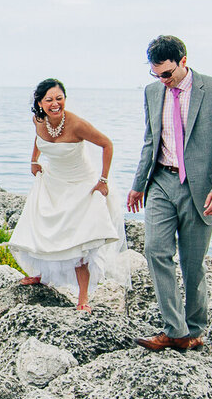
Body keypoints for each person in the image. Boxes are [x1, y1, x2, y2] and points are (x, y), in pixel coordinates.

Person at [127, 35, 212, 351]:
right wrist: (138, 184)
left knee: (193, 264)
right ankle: (174, 330)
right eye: (156, 75)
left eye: (167, 74)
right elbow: (150, 141)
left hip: (201, 190)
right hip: (162, 184)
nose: (162, 81)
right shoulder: (153, 93)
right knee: (155, 250)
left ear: (183, 60)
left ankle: (193, 330)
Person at [7, 78, 130, 311]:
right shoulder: (38, 120)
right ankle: (41, 274)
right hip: (53, 181)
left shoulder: (76, 124)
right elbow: (39, 138)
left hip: (80, 185)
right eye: (49, 100)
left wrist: (103, 181)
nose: (55, 104)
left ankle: (83, 299)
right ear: (40, 103)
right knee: (42, 229)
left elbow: (107, 144)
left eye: (59, 98)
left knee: (78, 243)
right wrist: (34, 160)